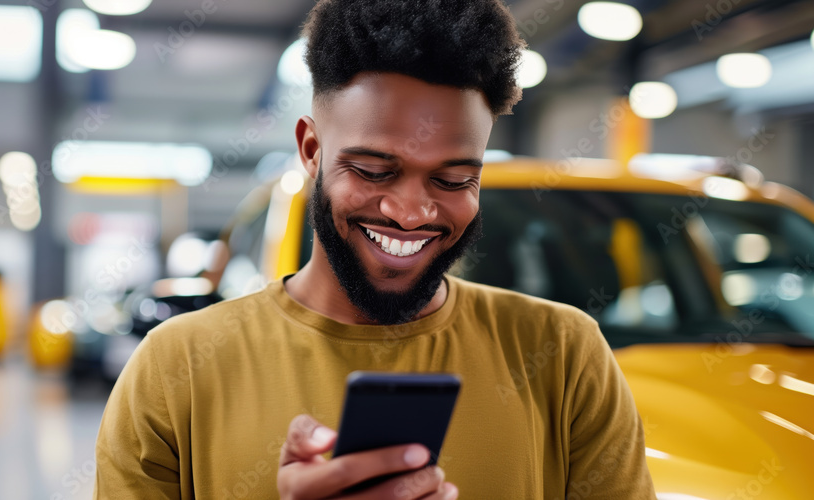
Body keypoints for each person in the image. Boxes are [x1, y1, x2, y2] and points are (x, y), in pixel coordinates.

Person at [94, 0, 656, 498]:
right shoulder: (174, 369)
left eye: (453, 180)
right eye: (372, 170)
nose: (410, 213)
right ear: (311, 149)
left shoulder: (565, 355)